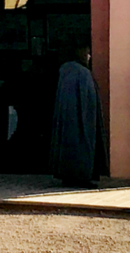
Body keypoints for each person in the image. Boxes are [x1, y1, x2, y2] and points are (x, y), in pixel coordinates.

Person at [50, 47, 108, 187]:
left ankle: (67, 176)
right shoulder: (83, 74)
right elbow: (89, 101)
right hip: (82, 121)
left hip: (67, 121)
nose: (89, 57)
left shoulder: (65, 73)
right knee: (83, 146)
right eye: (87, 54)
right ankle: (81, 176)